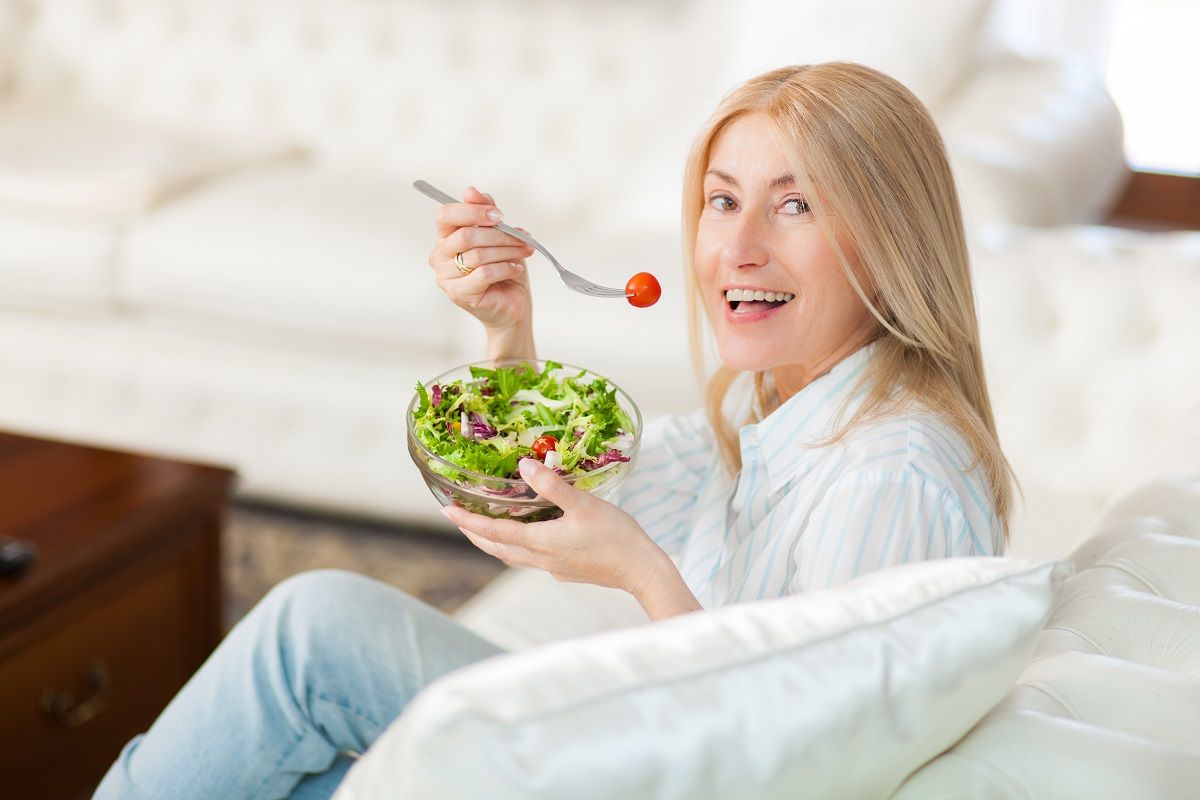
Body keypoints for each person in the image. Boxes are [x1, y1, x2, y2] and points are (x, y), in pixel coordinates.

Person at [94, 61, 1015, 800]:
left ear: (894, 239)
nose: (737, 247)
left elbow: (799, 772)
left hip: (669, 767)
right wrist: (508, 331)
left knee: (311, 633)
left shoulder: (890, 474)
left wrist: (641, 575)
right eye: (724, 201)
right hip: (652, 746)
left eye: (796, 204)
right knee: (299, 775)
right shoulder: (772, 403)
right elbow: (556, 494)